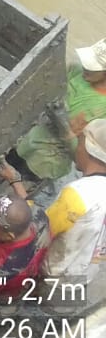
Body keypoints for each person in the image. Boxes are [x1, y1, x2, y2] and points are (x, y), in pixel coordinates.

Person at [8, 38, 106, 184]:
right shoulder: (76, 70)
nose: (86, 67)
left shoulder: (102, 111)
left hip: (47, 160)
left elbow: (84, 159)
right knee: (2, 166)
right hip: (25, 135)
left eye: (93, 67)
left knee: (18, 187)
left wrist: (64, 127)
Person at [41, 119, 106, 292]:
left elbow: (40, 233)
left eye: (79, 143)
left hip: (54, 278)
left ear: (86, 150)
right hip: (86, 275)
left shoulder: (78, 194)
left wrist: (17, 186)